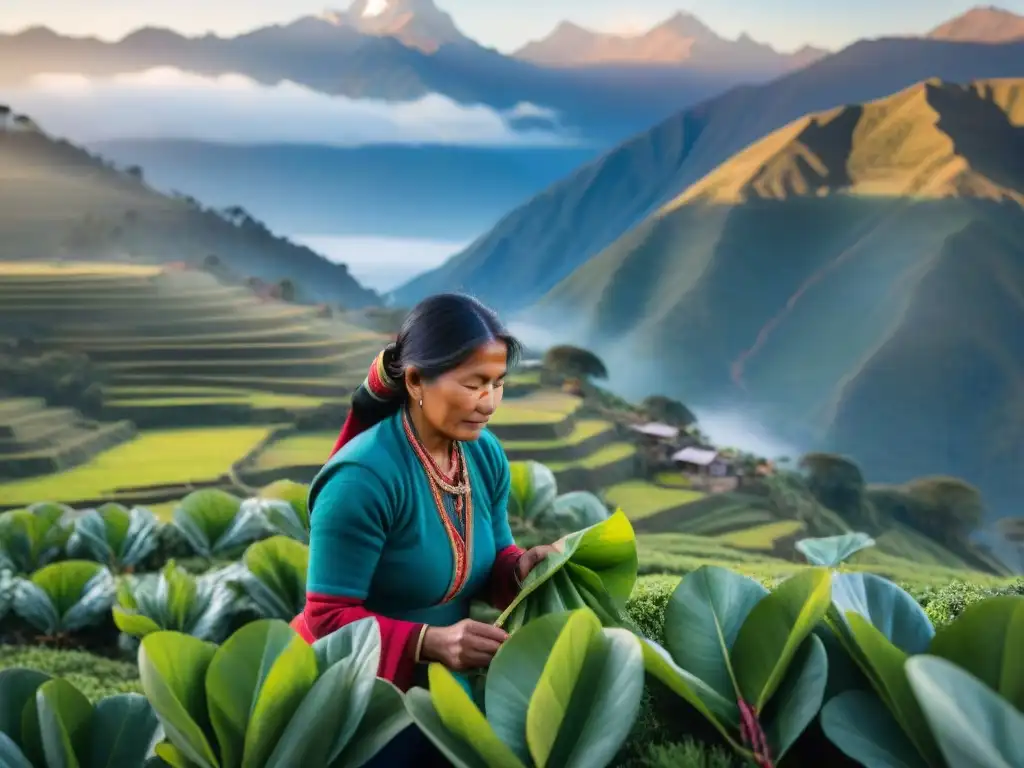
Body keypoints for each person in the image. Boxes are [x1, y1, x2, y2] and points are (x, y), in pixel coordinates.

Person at [290, 293, 556, 762]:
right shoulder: (361, 480)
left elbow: (495, 560)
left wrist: (522, 571)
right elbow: (327, 619)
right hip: (356, 697)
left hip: (443, 688)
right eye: (474, 384)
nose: (489, 402)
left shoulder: (483, 453)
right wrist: (429, 642)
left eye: (497, 384)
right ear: (415, 380)